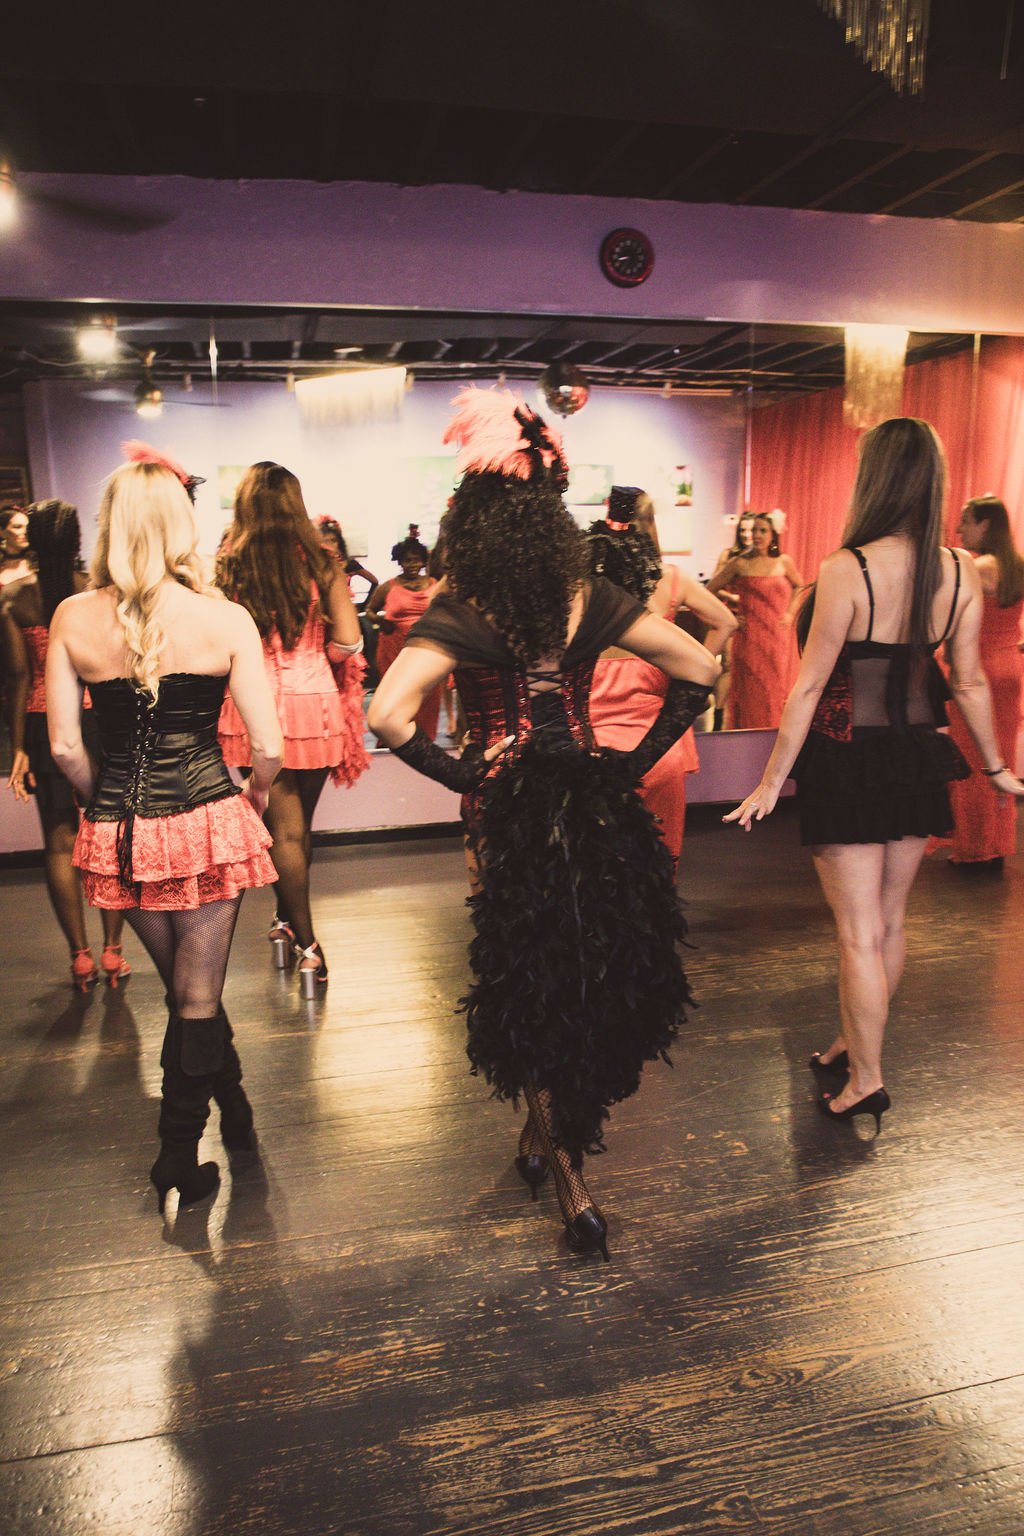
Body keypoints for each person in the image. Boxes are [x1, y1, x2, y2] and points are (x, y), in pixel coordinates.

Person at [368, 389, 719, 1261]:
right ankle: (554, 1151)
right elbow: (700, 667)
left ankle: (560, 1160)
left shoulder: (466, 606)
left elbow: (386, 716)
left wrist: (466, 771)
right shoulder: (586, 593)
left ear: (473, 520)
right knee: (587, 973)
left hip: (507, 814)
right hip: (595, 808)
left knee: (528, 976)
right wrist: (630, 765)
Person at [725, 418, 1024, 1132]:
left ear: (875, 478)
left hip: (849, 760)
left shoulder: (846, 568)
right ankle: (855, 1046)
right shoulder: (958, 569)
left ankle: (866, 1077)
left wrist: (770, 782)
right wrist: (997, 768)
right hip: (920, 756)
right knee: (887, 924)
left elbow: (806, 687)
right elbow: (972, 683)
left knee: (859, 933)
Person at [46, 455, 283, 1213]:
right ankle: (176, 1157)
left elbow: (63, 748)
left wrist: (106, 803)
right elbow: (269, 745)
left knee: (190, 989)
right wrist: (256, 795)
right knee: (197, 994)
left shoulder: (72, 618)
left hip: (120, 829)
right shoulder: (225, 618)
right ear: (184, 525)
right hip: (210, 818)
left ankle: (237, 1117)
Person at [217, 464, 362, 994]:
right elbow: (349, 641)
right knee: (299, 830)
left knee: (285, 831)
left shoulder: (229, 564)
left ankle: (299, 940)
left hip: (252, 705)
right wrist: (318, 653)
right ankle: (296, 935)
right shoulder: (323, 562)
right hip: (315, 701)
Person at [2, 501, 129, 988]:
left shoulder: (15, 598)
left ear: (31, 538)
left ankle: (80, 957)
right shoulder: (98, 595)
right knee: (110, 833)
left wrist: (17, 748)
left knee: (58, 843)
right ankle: (114, 951)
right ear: (79, 540)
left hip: (41, 719)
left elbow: (19, 678)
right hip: (100, 721)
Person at [585, 487, 737, 864]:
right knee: (658, 849)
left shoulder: (583, 584)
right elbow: (726, 622)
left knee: (595, 846)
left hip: (591, 725)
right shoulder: (669, 579)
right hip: (655, 731)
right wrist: (693, 666)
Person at [936, 495, 1024, 870]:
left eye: (965, 521)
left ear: (985, 524)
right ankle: (996, 842)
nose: (959, 529)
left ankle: (976, 846)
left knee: (972, 757)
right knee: (998, 755)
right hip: (1009, 667)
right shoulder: (1017, 566)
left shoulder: (975, 566)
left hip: (979, 669)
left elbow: (949, 619)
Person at [707, 512, 804, 728]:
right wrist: (729, 616)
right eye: (754, 530)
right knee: (751, 687)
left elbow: (799, 584)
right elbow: (710, 589)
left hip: (776, 636)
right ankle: (749, 735)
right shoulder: (739, 563)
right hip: (749, 635)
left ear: (773, 534)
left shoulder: (783, 561)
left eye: (762, 530)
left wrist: (790, 612)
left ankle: (772, 732)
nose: (757, 535)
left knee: (774, 687)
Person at [365, 535, 442, 738]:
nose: (412, 564)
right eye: (407, 560)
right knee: (396, 697)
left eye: (416, 559)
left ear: (424, 561)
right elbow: (370, 610)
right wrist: (381, 622)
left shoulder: (435, 584)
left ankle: (425, 741)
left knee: (428, 696)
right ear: (399, 562)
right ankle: (392, 741)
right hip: (394, 648)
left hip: (429, 649)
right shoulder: (388, 586)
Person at [1, 507, 33, 588]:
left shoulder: (40, 563)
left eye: (28, 527)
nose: (26, 532)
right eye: (18, 527)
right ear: (2, 532)